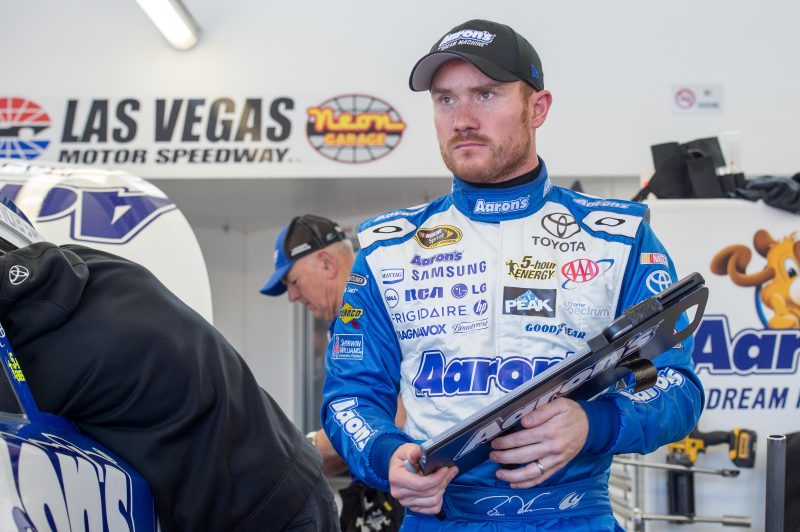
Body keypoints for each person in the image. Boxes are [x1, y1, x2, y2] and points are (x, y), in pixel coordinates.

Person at [321, 19, 704, 531]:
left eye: (485, 94)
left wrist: (595, 422)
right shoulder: (386, 249)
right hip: (439, 518)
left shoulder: (619, 236)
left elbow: (677, 385)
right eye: (445, 99)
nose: (462, 119)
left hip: (574, 517)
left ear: (537, 108)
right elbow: (350, 396)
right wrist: (385, 454)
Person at [0, 195, 339, 531]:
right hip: (284, 479)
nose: (293, 295)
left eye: (293, 282)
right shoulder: (88, 263)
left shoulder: (33, 363)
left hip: (258, 513)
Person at [261, 214, 405, 531]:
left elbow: (399, 419)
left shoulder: (384, 309)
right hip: (377, 492)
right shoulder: (341, 326)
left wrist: (301, 453)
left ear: (327, 263)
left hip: (415, 495)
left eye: (293, 282)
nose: (292, 296)